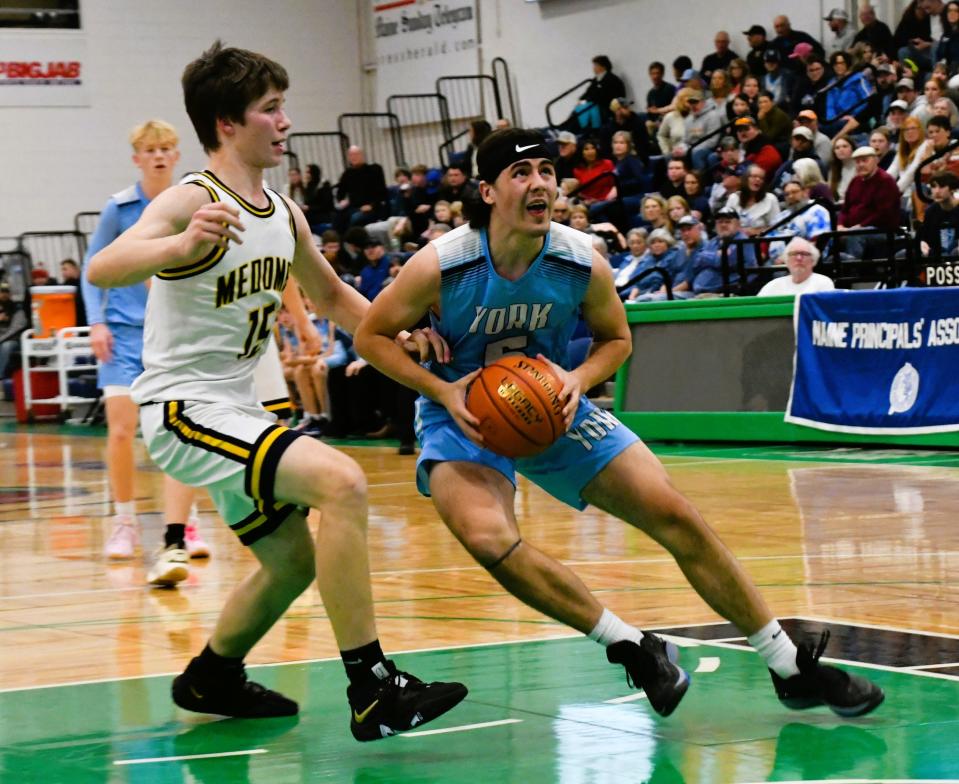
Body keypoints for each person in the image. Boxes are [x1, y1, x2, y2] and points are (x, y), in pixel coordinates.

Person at [353, 127, 884, 720]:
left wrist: (580, 379)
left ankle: (788, 664)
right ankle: (630, 645)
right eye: (522, 174)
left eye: (548, 172)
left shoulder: (579, 259)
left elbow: (617, 340)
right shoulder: (445, 263)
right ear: (487, 190)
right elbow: (370, 336)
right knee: (487, 538)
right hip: (466, 412)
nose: (540, 185)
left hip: (552, 403)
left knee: (674, 512)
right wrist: (441, 389)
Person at [85, 40, 467, 735]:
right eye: (271, 109)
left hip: (234, 408)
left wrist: (401, 333)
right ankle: (373, 686)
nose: (285, 121)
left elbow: (333, 297)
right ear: (227, 124)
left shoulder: (282, 212)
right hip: (182, 408)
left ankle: (211, 676)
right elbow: (107, 264)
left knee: (291, 562)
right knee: (342, 482)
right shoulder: (190, 198)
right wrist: (173, 248)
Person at [79, 119, 211, 585]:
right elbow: (90, 269)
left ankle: (186, 523)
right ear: (137, 157)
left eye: (166, 148)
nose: (158, 156)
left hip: (173, 335)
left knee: (182, 431)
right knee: (121, 429)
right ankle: (124, 521)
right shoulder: (119, 209)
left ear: (177, 155)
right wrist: (96, 321)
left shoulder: (194, 203)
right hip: (123, 334)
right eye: (150, 150)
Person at [758, 236, 836, 295]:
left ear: (813, 260)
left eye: (804, 254)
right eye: (794, 254)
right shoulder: (772, 286)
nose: (799, 258)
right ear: (787, 260)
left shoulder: (823, 283)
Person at [920, 169, 959, 256]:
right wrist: (922, 245)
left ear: (952, 188)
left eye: (941, 186)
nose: (937, 191)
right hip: (936, 254)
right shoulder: (930, 211)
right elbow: (924, 238)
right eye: (933, 186)